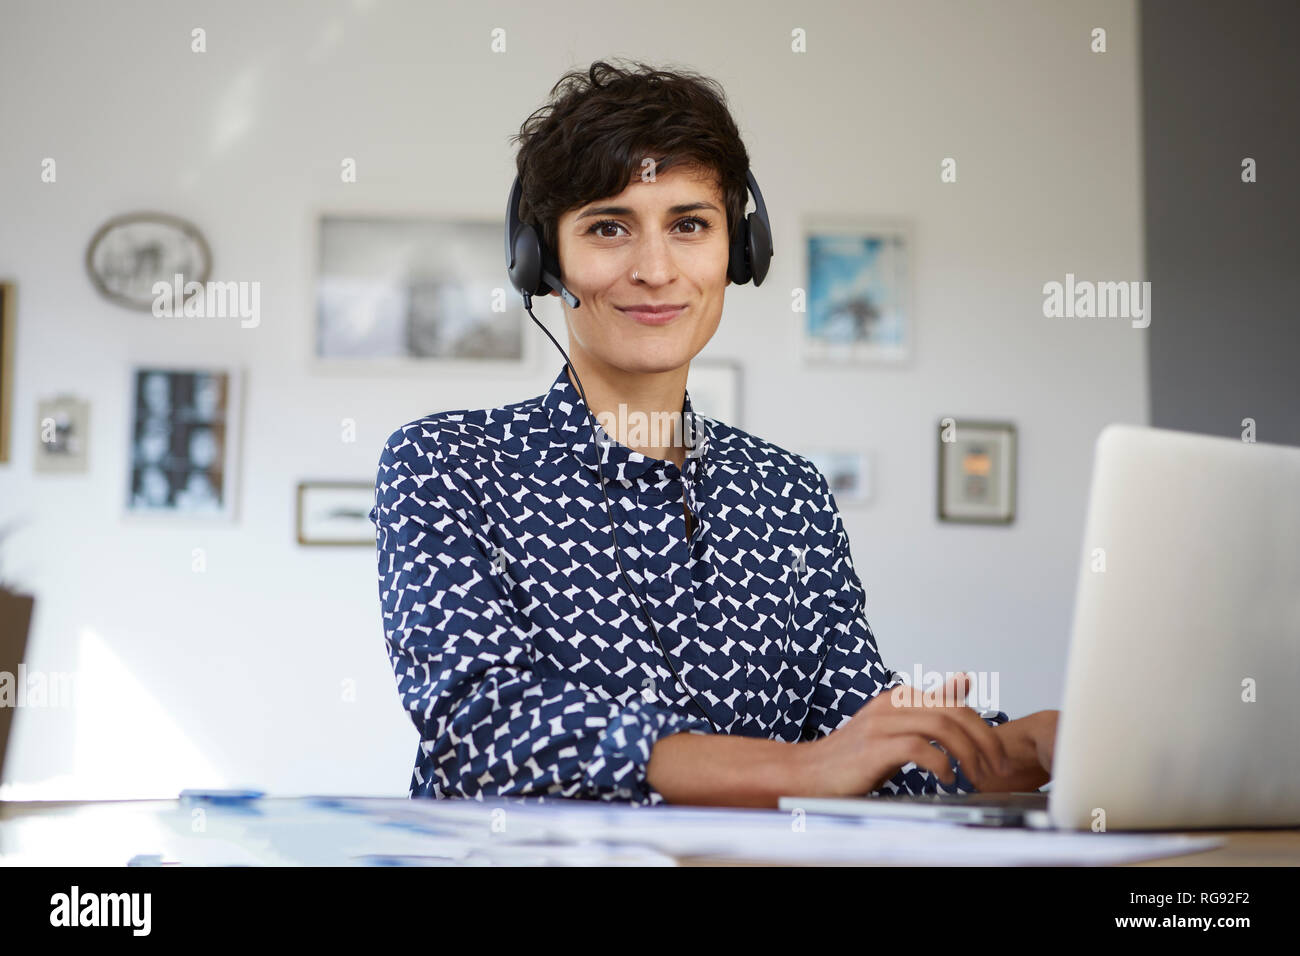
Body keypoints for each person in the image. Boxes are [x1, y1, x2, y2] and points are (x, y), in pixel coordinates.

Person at [371, 59, 1058, 808]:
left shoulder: (787, 493)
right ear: (543, 259)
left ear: (740, 249)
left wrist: (1019, 745)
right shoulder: (447, 464)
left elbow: (857, 732)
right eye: (609, 227)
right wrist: (801, 770)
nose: (656, 270)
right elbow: (482, 729)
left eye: (690, 225)